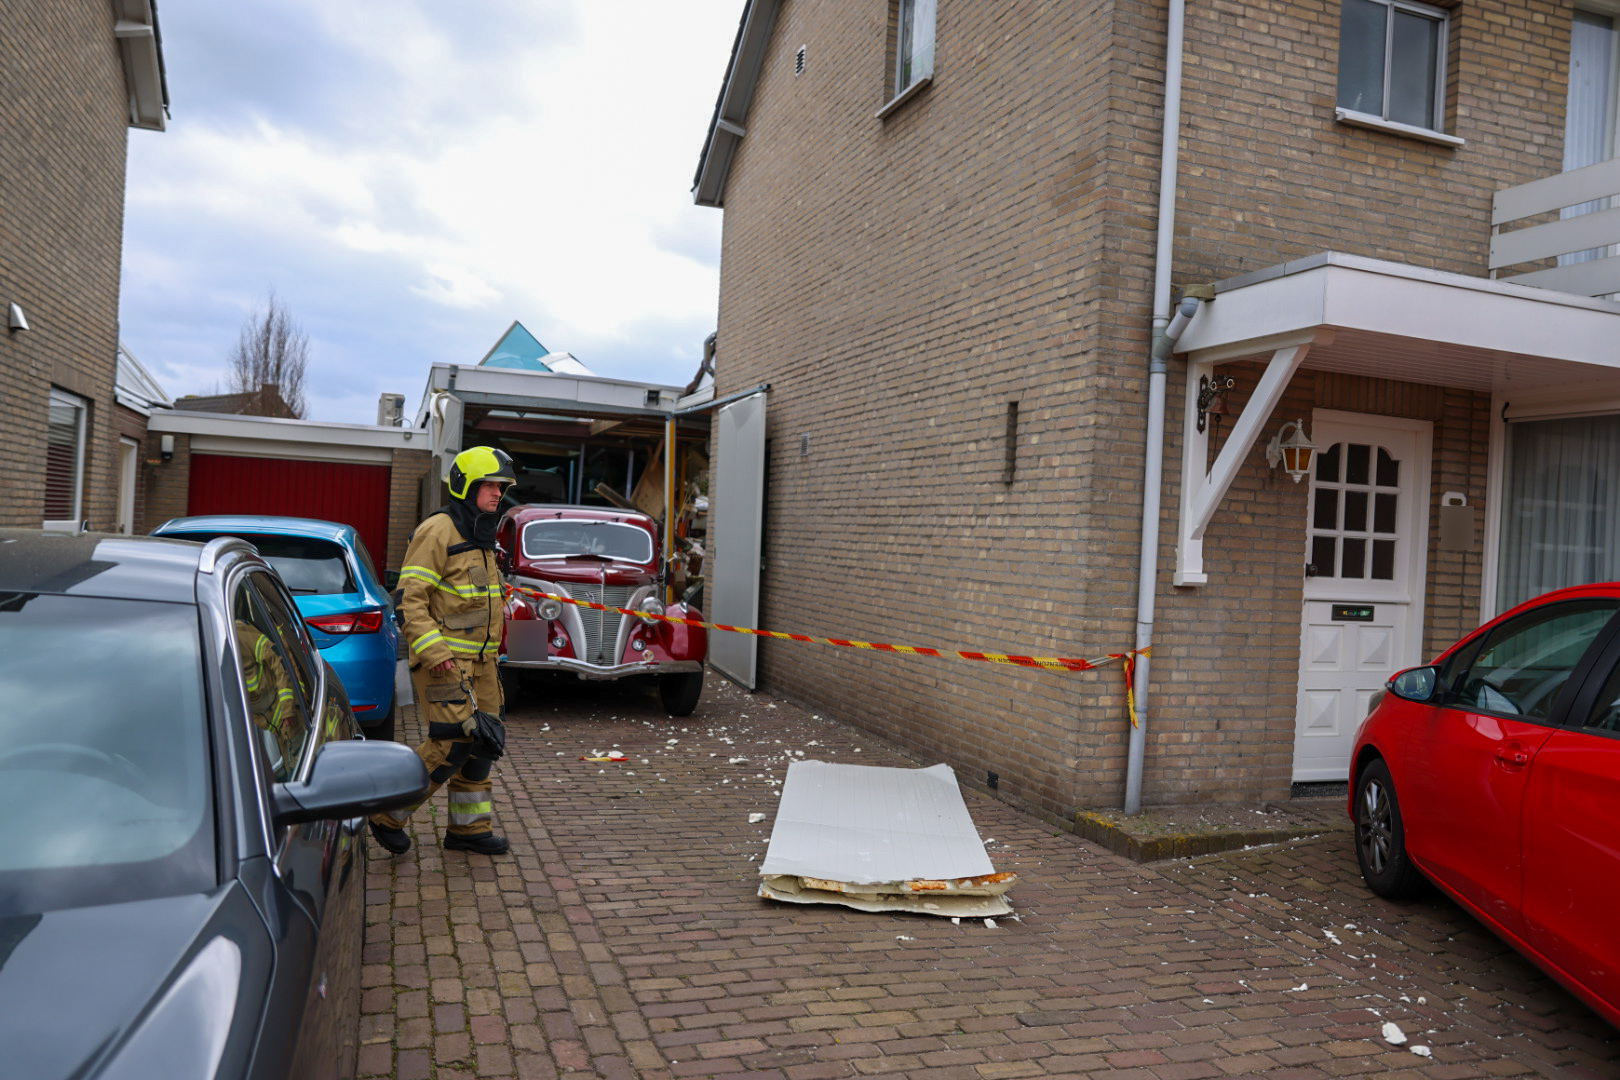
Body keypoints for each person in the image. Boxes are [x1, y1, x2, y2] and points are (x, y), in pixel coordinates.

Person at [368, 446, 515, 856]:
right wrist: (434, 652)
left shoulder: (481, 531)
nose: (497, 494)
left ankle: (468, 830)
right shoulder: (439, 530)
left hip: (483, 664)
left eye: (501, 487)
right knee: (451, 742)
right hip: (445, 661)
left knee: (484, 741)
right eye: (491, 485)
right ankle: (386, 814)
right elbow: (410, 599)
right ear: (467, 485)